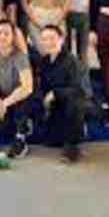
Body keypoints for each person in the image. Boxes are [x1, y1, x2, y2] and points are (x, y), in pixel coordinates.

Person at [38, 25, 88, 163]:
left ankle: (73, 146)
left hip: (74, 103)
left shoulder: (72, 61)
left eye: (52, 38)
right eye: (44, 39)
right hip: (55, 104)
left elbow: (78, 90)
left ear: (61, 39)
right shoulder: (44, 61)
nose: (48, 42)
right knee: (51, 141)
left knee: (74, 101)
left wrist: (54, 93)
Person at [0, 20, 34, 158]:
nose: (2, 36)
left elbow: (27, 87)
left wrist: (4, 104)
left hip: (21, 97)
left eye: (6, 33)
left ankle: (21, 138)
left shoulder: (20, 56)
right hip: (3, 97)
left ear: (13, 37)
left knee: (21, 111)